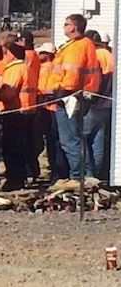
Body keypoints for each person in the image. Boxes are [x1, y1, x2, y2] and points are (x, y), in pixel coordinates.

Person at [46, 14, 100, 191]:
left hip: (69, 97)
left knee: (70, 139)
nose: (64, 26)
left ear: (75, 27)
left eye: (67, 24)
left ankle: (77, 176)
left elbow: (72, 72)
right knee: (76, 138)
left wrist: (63, 91)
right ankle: (86, 174)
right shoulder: (81, 44)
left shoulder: (77, 47)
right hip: (76, 96)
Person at [0, 42, 37, 191]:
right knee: (23, 148)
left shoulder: (14, 70)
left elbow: (9, 94)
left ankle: (14, 180)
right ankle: (23, 177)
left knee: (11, 149)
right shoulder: (28, 69)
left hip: (14, 113)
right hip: (27, 112)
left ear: (12, 54)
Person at [36, 42, 67, 183]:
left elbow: (46, 88)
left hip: (52, 108)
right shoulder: (46, 67)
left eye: (41, 53)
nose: (39, 55)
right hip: (47, 107)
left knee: (55, 142)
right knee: (52, 142)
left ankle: (58, 173)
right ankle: (55, 172)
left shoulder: (48, 68)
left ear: (48, 54)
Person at [84, 30, 113, 181]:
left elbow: (95, 81)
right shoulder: (111, 55)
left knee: (81, 138)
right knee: (98, 140)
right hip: (107, 105)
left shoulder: (95, 55)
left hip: (94, 104)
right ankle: (98, 173)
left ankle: (89, 174)